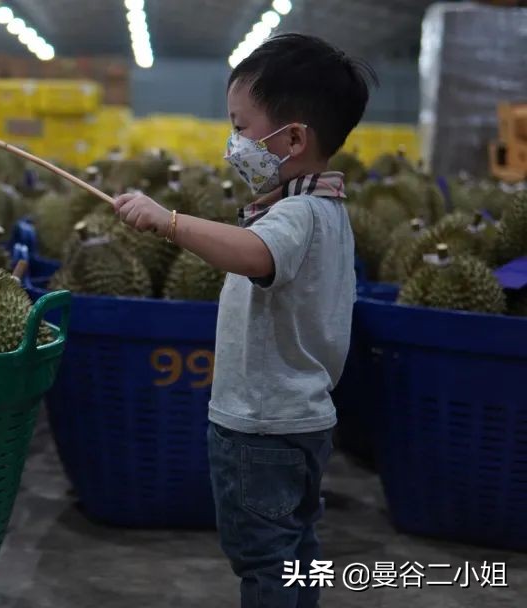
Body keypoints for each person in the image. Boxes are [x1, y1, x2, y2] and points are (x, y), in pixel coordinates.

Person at [112, 34, 377, 608]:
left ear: (294, 138)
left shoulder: (299, 214)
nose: (233, 143)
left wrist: (169, 221)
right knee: (293, 552)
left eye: (240, 125)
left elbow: (255, 255)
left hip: (262, 426)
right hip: (300, 421)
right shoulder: (325, 210)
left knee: (266, 559)